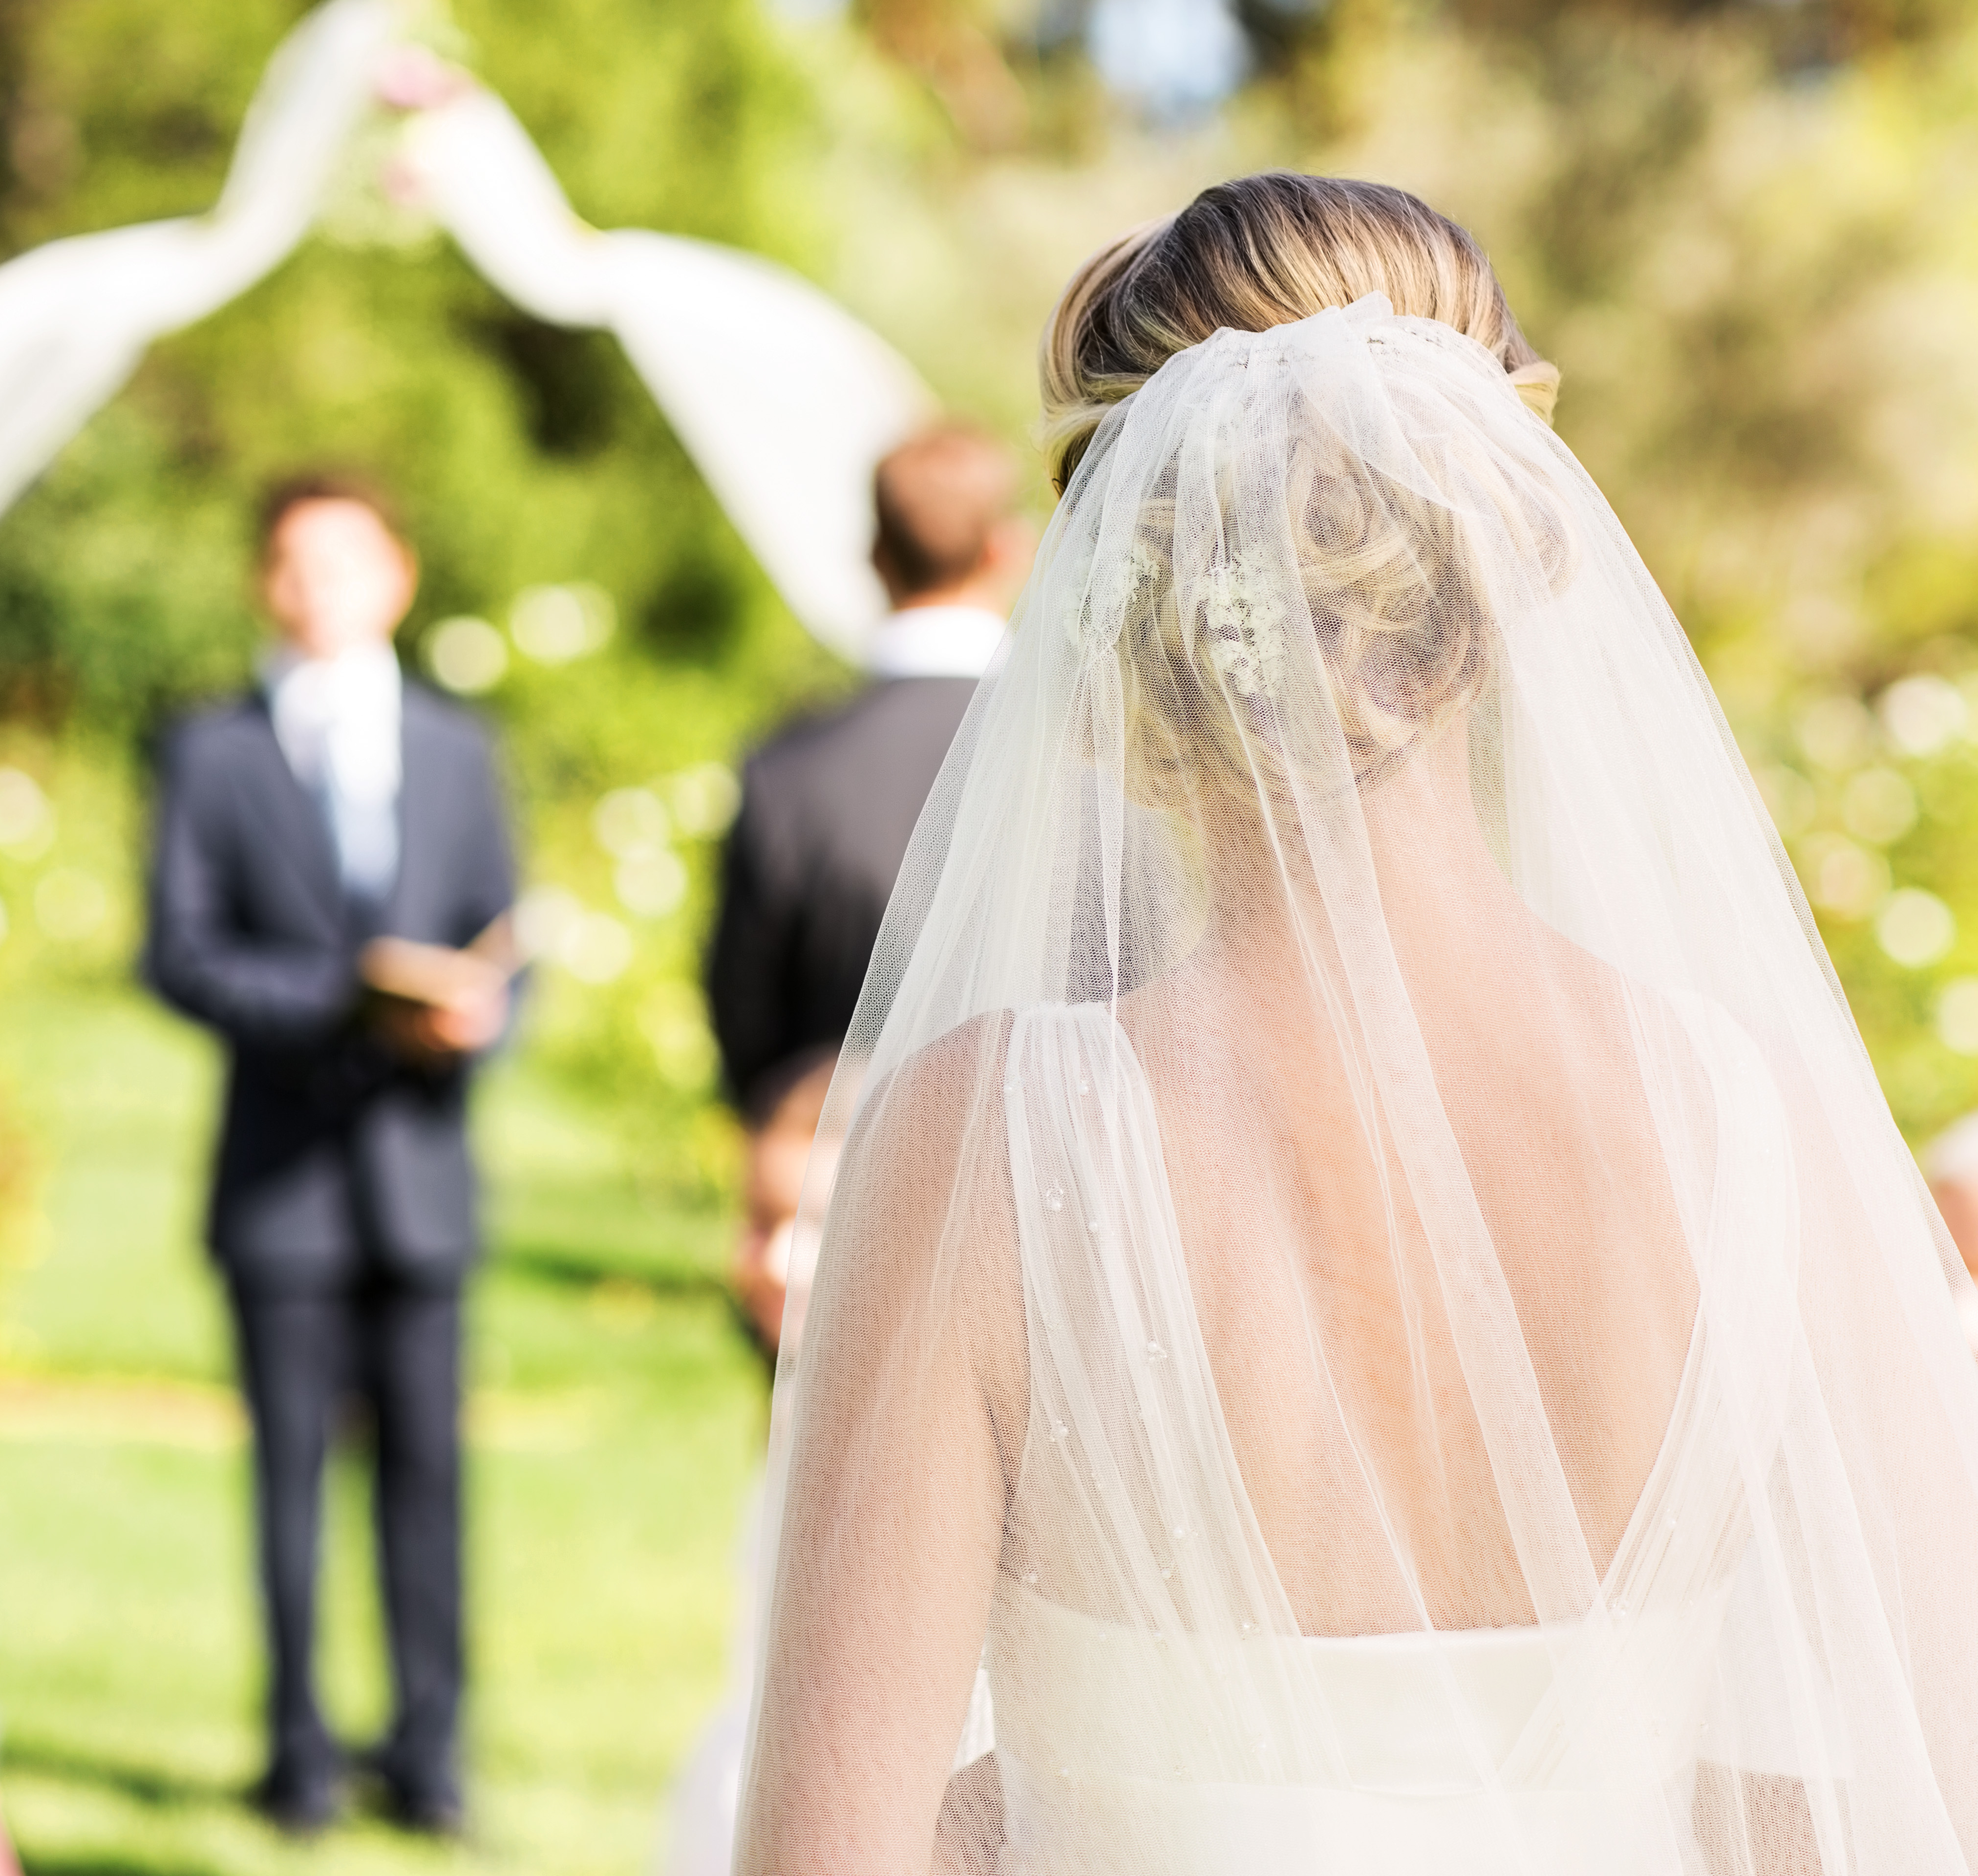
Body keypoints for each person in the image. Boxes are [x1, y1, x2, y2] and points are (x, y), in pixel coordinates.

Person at [734, 172, 1978, 1876]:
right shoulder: (1747, 1125)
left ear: (1126, 603)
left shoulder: (986, 1145)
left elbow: (827, 1861)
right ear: (1494, 583)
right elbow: (1915, 1797)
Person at [144, 471, 516, 1835]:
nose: (322, 592)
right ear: (265, 583)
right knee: (289, 1483)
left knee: (431, 1483)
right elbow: (178, 955)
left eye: (347, 565)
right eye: (296, 566)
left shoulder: (459, 747)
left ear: (397, 578)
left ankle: (432, 1757)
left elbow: (500, 927)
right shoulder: (212, 751)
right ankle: (295, 1752)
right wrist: (338, 1000)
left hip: (421, 1177)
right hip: (284, 1182)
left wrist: (474, 1020)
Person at [704, 422, 1033, 1354]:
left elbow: (744, 1014)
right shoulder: (1092, 761)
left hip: (835, 1218)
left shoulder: (791, 770)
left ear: (874, 558)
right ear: (1009, 550)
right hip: (1039, 1215)